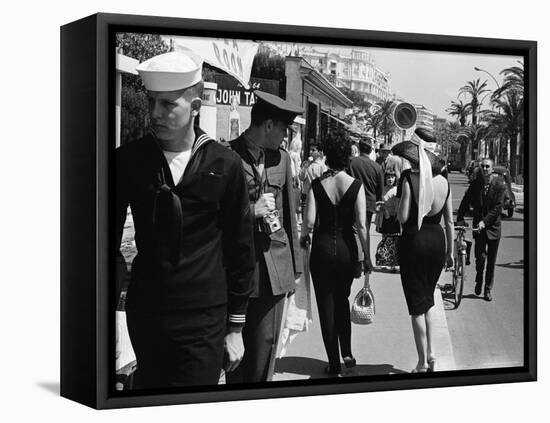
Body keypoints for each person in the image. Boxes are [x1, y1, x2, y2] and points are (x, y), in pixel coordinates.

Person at [115, 51, 255, 389]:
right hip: (147, 313)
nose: (155, 114)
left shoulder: (225, 164)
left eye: (167, 105)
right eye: (151, 103)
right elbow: (103, 241)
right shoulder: (129, 161)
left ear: (194, 107)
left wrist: (235, 327)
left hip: (204, 318)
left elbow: (241, 250)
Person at [227, 90, 303, 383]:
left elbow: (290, 216)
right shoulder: (228, 155)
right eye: (283, 129)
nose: (285, 136)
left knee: (265, 348)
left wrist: (295, 270)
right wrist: (250, 211)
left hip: (274, 269)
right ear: (268, 125)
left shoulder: (282, 160)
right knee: (234, 355)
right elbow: (217, 216)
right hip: (239, 271)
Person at [300, 133, 369, 376]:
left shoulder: (317, 185)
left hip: (322, 249)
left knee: (326, 305)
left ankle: (333, 362)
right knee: (342, 300)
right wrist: (366, 256)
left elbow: (308, 222)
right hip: (346, 250)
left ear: (327, 155)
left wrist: (303, 238)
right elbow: (361, 225)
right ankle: (347, 353)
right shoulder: (355, 185)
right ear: (347, 157)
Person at [392, 128, 453, 373]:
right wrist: (449, 253)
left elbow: (404, 216)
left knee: (416, 306)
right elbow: (449, 221)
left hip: (414, 243)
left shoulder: (408, 178)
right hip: (437, 243)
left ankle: (421, 361)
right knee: (428, 300)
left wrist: (393, 206)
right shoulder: (444, 182)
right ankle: (432, 353)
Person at [456, 158, 505, 301]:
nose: (484, 169)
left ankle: (487, 289)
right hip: (479, 228)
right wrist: (460, 217)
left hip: (494, 228)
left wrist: (486, 221)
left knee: (491, 261)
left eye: (487, 166)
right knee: (481, 258)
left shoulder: (500, 186)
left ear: (492, 169)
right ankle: (479, 279)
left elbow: (498, 208)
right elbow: (466, 201)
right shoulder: (475, 184)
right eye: (482, 166)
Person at [348, 137, 384, 271]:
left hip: (351, 200)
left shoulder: (351, 163)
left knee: (353, 229)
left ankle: (356, 256)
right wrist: (378, 201)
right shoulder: (377, 167)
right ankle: (364, 257)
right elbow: (380, 188)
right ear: (371, 150)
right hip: (369, 203)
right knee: (365, 230)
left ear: (359, 147)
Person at [374, 169, 401, 271]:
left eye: (392, 177)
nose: (390, 179)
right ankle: (384, 261)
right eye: (388, 177)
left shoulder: (397, 190)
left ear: (395, 179)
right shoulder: (382, 189)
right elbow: (379, 202)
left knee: (394, 240)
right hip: (385, 218)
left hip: (394, 218)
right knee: (385, 240)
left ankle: (394, 263)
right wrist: (383, 210)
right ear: (385, 179)